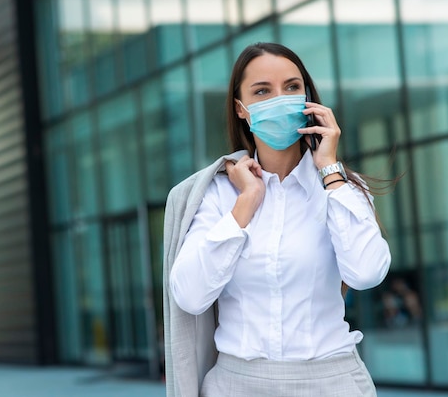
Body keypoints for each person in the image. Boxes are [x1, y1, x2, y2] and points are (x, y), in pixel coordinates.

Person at [162, 42, 391, 397]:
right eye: (262, 91)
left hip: (333, 382)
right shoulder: (216, 195)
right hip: (236, 384)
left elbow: (366, 273)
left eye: (292, 87)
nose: (280, 98)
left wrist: (331, 170)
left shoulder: (340, 189)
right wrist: (246, 203)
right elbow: (189, 297)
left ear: (309, 98)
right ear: (241, 109)